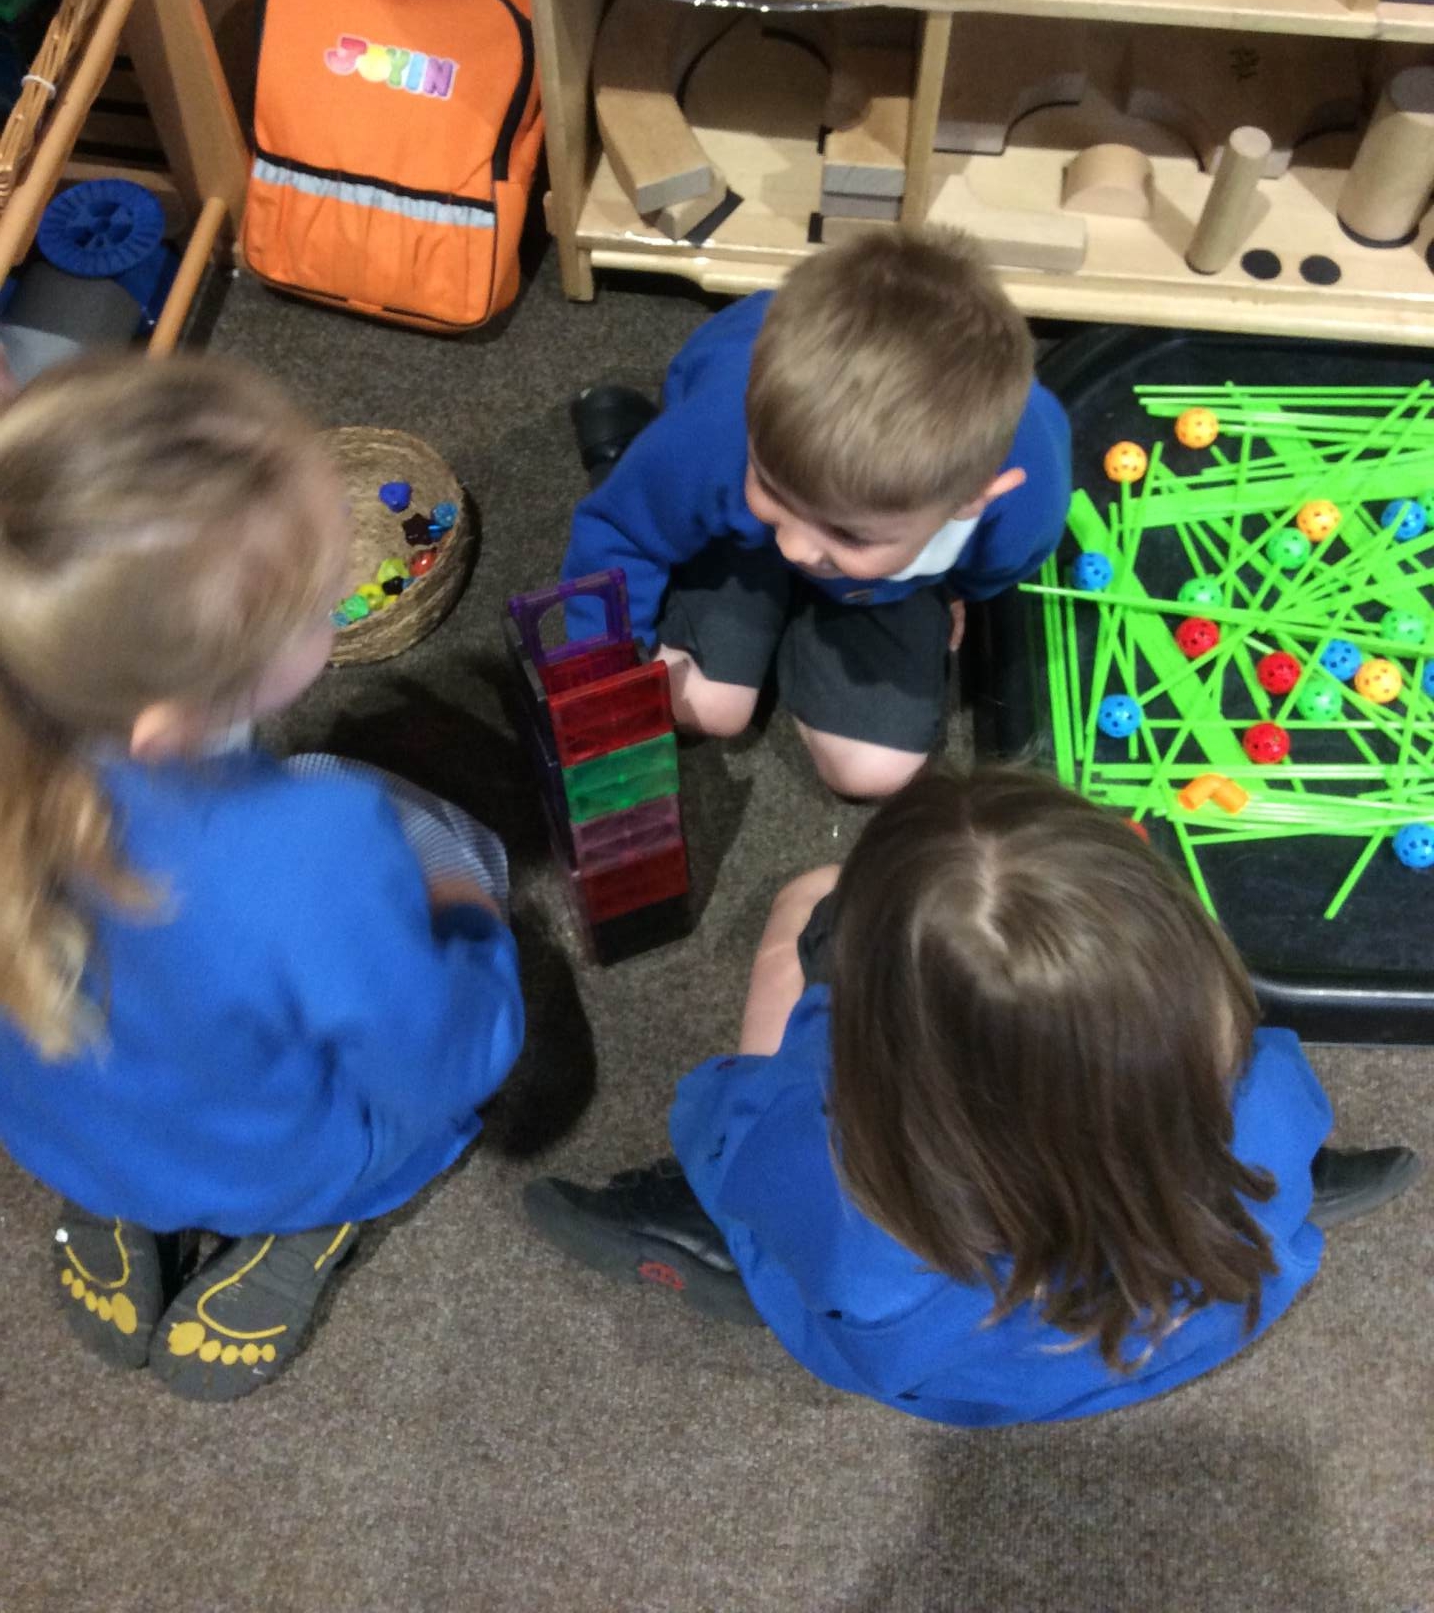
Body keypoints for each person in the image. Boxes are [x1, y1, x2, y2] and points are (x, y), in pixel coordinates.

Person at [525, 768, 1419, 1426]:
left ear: (884, 1047)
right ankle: (1248, 1205)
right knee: (1254, 1167)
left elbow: (712, 1121)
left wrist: (811, 1014)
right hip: (1191, 1323)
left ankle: (717, 1247)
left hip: (951, 1373)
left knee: (805, 900)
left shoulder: (837, 1177)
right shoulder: (1271, 1093)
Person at [0, 353, 523, 1401]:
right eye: (317, 605)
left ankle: (116, 1200)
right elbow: (441, 1060)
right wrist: (474, 921)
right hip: (277, 1160)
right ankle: (311, 1219)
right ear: (179, 704)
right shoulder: (317, 840)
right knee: (460, 848)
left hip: (63, 1133)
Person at [562, 229, 1070, 800]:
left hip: (874, 580)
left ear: (970, 500)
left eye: (849, 534)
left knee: (876, 772)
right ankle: (628, 460)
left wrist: (957, 590)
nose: (795, 547)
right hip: (730, 527)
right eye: (769, 485)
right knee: (704, 706)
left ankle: (783, 552)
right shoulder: (721, 428)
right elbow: (620, 532)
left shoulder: (1026, 503)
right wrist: (606, 670)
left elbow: (1000, 565)